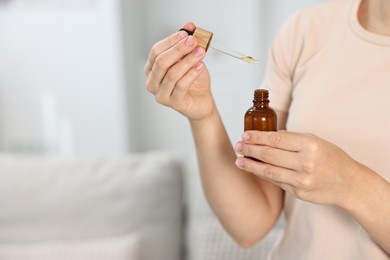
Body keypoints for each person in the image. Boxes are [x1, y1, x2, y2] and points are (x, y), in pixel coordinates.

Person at [144, 0, 390, 258]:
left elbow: (349, 183)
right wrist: (204, 116)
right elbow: (251, 226)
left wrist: (351, 184)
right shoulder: (305, 30)